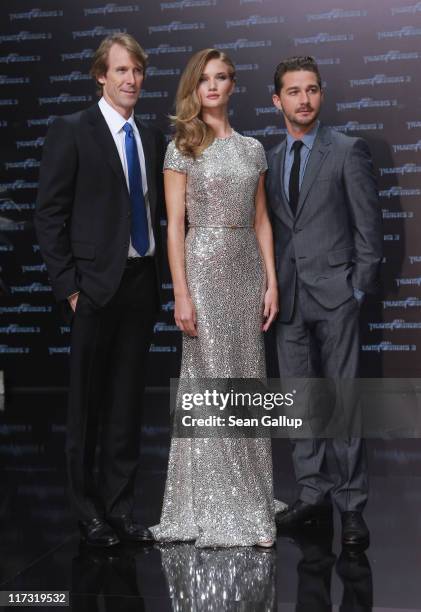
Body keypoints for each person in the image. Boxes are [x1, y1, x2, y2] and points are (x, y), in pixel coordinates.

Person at [35, 33, 165, 547]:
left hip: (140, 284)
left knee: (126, 407)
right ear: (100, 76)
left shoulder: (151, 136)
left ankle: (119, 510)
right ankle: (86, 511)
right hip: (92, 289)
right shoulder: (71, 131)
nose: (131, 80)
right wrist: (70, 289)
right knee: (87, 407)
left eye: (137, 71)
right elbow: (49, 216)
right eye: (120, 71)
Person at [151, 48, 284, 548]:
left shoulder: (252, 149)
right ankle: (213, 502)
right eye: (204, 79)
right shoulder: (182, 145)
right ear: (194, 86)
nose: (212, 86)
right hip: (203, 268)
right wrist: (181, 293)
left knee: (246, 379)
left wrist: (271, 281)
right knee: (209, 379)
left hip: (247, 268)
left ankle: (250, 494)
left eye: (221, 77)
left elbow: (263, 221)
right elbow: (174, 227)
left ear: (232, 86)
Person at [266, 56, 382, 547]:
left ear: (322, 95)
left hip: (336, 297)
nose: (304, 99)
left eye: (311, 90)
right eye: (294, 91)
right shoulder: (267, 159)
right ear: (278, 101)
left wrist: (355, 290)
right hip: (288, 300)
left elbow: (368, 230)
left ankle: (351, 506)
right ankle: (312, 494)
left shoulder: (347, 150)